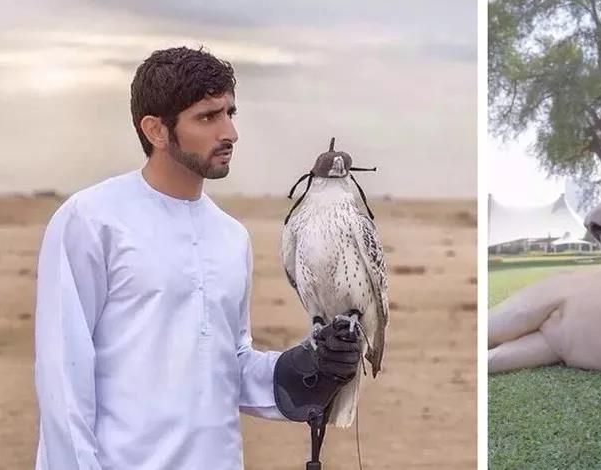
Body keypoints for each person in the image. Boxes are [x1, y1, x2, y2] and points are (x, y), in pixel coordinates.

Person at [33, 47, 360, 469]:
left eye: (230, 113)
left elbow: (227, 365)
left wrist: (305, 367)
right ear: (155, 130)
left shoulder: (230, 237)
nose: (229, 132)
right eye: (207, 117)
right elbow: (64, 373)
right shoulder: (93, 219)